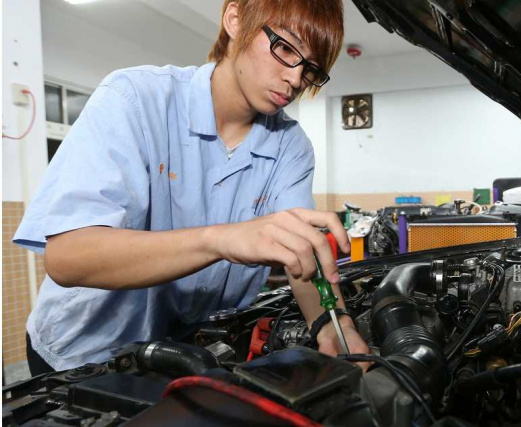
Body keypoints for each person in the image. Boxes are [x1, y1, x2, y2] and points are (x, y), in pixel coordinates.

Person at [13, 0, 369, 375]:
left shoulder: (291, 147)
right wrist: (221, 239)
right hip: (83, 356)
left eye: (311, 69)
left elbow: (298, 256)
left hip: (180, 353)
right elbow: (68, 257)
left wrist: (333, 325)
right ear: (234, 19)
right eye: (285, 48)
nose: (296, 80)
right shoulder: (134, 99)